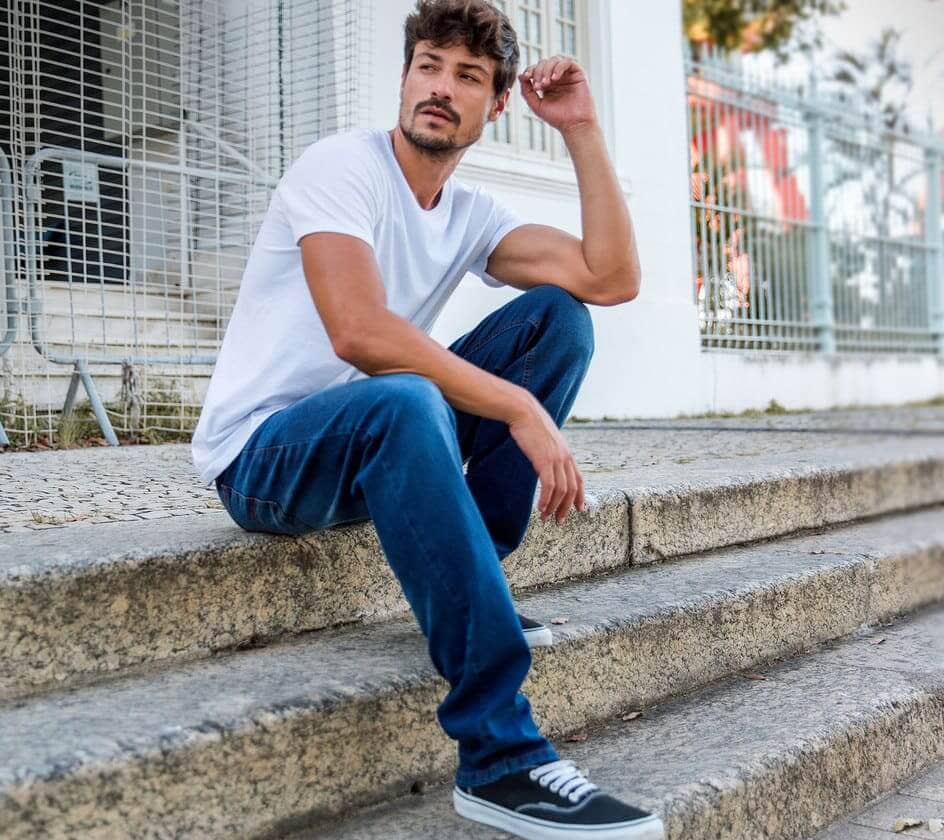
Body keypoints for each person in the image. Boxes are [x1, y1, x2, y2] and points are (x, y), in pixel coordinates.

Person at [191, 1, 662, 837]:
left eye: (469, 76)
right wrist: (515, 406)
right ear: (406, 77)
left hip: (378, 433)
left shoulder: (470, 214)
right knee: (403, 395)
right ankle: (500, 759)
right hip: (264, 457)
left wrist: (582, 130)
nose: (442, 88)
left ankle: (472, 575)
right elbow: (361, 332)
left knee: (558, 319)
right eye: (429, 66)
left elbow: (610, 277)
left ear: (497, 104)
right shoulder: (341, 166)